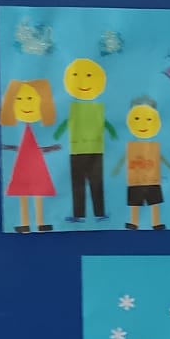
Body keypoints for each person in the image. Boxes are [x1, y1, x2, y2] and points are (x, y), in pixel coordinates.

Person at [55, 57, 116, 223]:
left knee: (96, 183)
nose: (83, 81)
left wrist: (111, 132)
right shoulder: (74, 108)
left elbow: (104, 123)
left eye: (89, 76)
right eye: (76, 75)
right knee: (78, 184)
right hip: (77, 150)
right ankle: (79, 214)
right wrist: (59, 132)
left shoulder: (97, 107)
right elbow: (68, 122)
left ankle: (99, 213)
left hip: (95, 150)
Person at [0, 79, 58, 232]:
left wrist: (50, 148)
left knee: (38, 191)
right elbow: (19, 147)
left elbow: (38, 147)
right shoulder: (16, 129)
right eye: (19, 99)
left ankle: (40, 222)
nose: (25, 103)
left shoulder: (38, 128)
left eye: (30, 98)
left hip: (36, 165)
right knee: (23, 191)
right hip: (22, 164)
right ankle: (24, 223)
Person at [123, 97, 170, 230]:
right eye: (137, 118)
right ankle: (134, 222)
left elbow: (161, 158)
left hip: (152, 178)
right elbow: (123, 158)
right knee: (135, 201)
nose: (143, 124)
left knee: (154, 201)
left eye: (149, 119)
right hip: (135, 179)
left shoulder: (154, 145)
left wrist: (169, 166)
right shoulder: (131, 146)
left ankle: (156, 222)